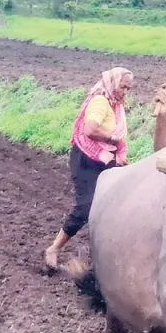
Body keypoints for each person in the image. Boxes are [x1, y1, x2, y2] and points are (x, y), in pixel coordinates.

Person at [44, 67, 134, 270]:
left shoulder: (114, 105)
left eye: (128, 88)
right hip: (86, 159)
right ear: (113, 83)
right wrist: (113, 139)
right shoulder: (100, 102)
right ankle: (54, 248)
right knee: (86, 206)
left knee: (113, 205)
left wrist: (119, 153)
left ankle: (104, 256)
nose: (125, 92)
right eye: (123, 86)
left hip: (105, 159)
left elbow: (117, 139)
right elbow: (90, 130)